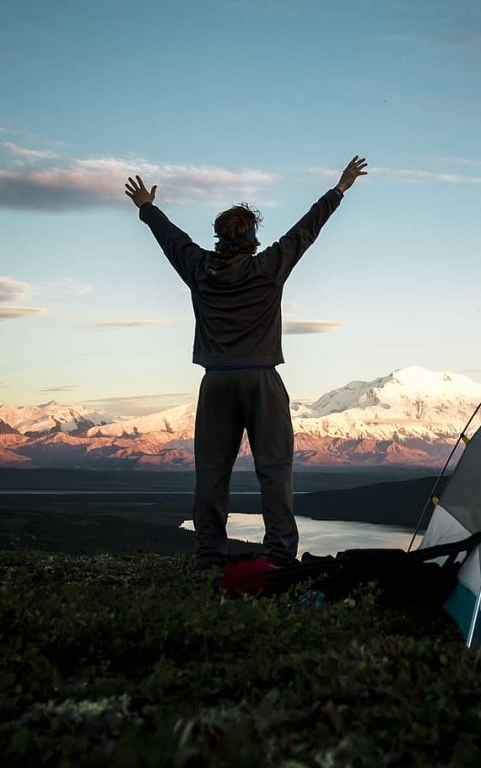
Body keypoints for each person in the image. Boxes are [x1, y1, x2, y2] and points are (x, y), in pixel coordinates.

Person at [125, 156, 368, 569]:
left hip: (216, 382)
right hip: (261, 381)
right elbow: (305, 230)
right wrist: (339, 188)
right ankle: (279, 559)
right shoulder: (268, 268)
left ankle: (208, 556)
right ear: (253, 239)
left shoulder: (198, 268)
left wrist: (147, 208)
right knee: (274, 471)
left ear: (218, 238)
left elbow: (172, 239)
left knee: (212, 472)